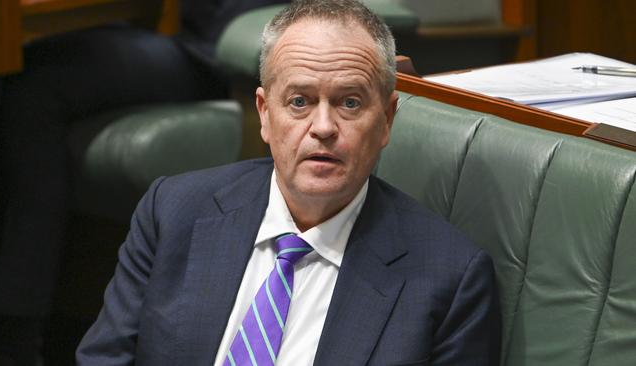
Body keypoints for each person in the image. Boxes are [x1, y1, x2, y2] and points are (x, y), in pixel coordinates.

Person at [76, 0, 501, 364]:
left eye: (349, 103)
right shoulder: (173, 211)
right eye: (299, 102)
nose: (323, 127)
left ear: (387, 120)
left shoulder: (450, 278)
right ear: (264, 113)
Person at [0, 1, 288, 365]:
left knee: (29, 83)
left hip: (211, 44)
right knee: (9, 69)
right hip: (141, 24)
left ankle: (13, 336)